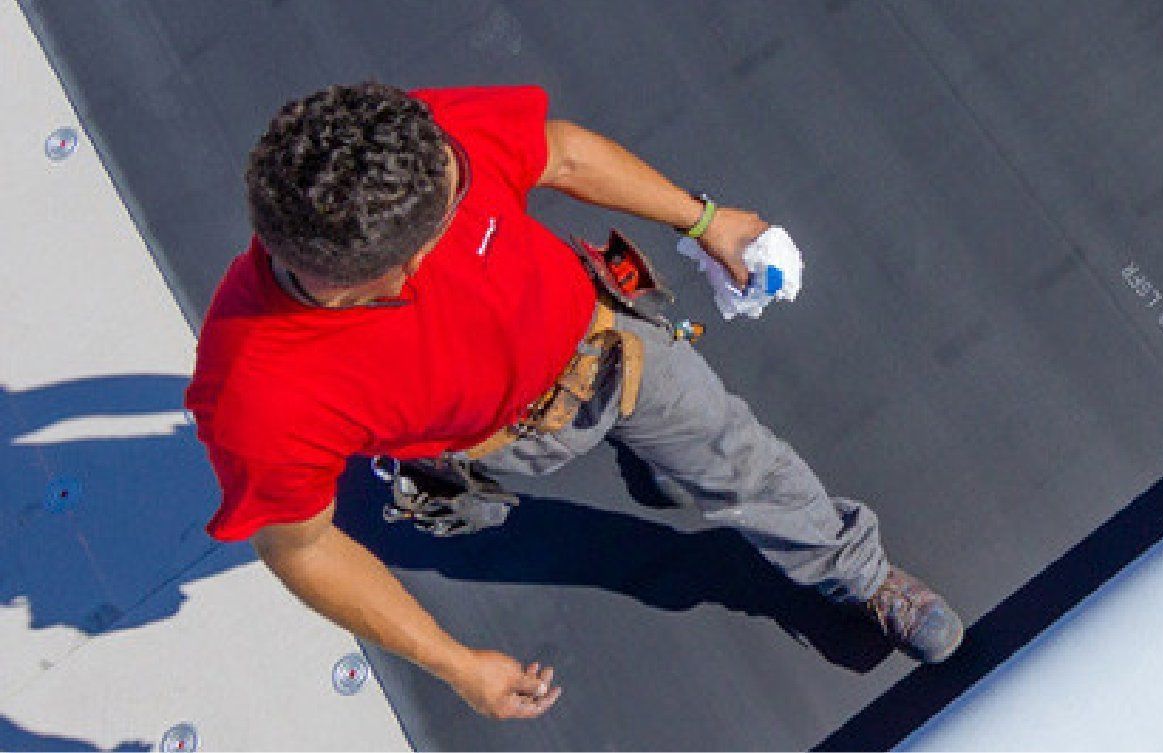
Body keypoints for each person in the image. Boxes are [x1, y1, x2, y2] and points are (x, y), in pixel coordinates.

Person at [184, 83, 963, 720]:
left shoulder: (405, 151)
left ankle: (858, 574)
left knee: (736, 456)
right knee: (683, 457)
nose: (466, 185)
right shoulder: (260, 401)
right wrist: (454, 664)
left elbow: (559, 151)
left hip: (608, 349)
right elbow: (303, 547)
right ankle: (647, 460)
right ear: (392, 272)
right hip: (504, 437)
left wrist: (705, 219)